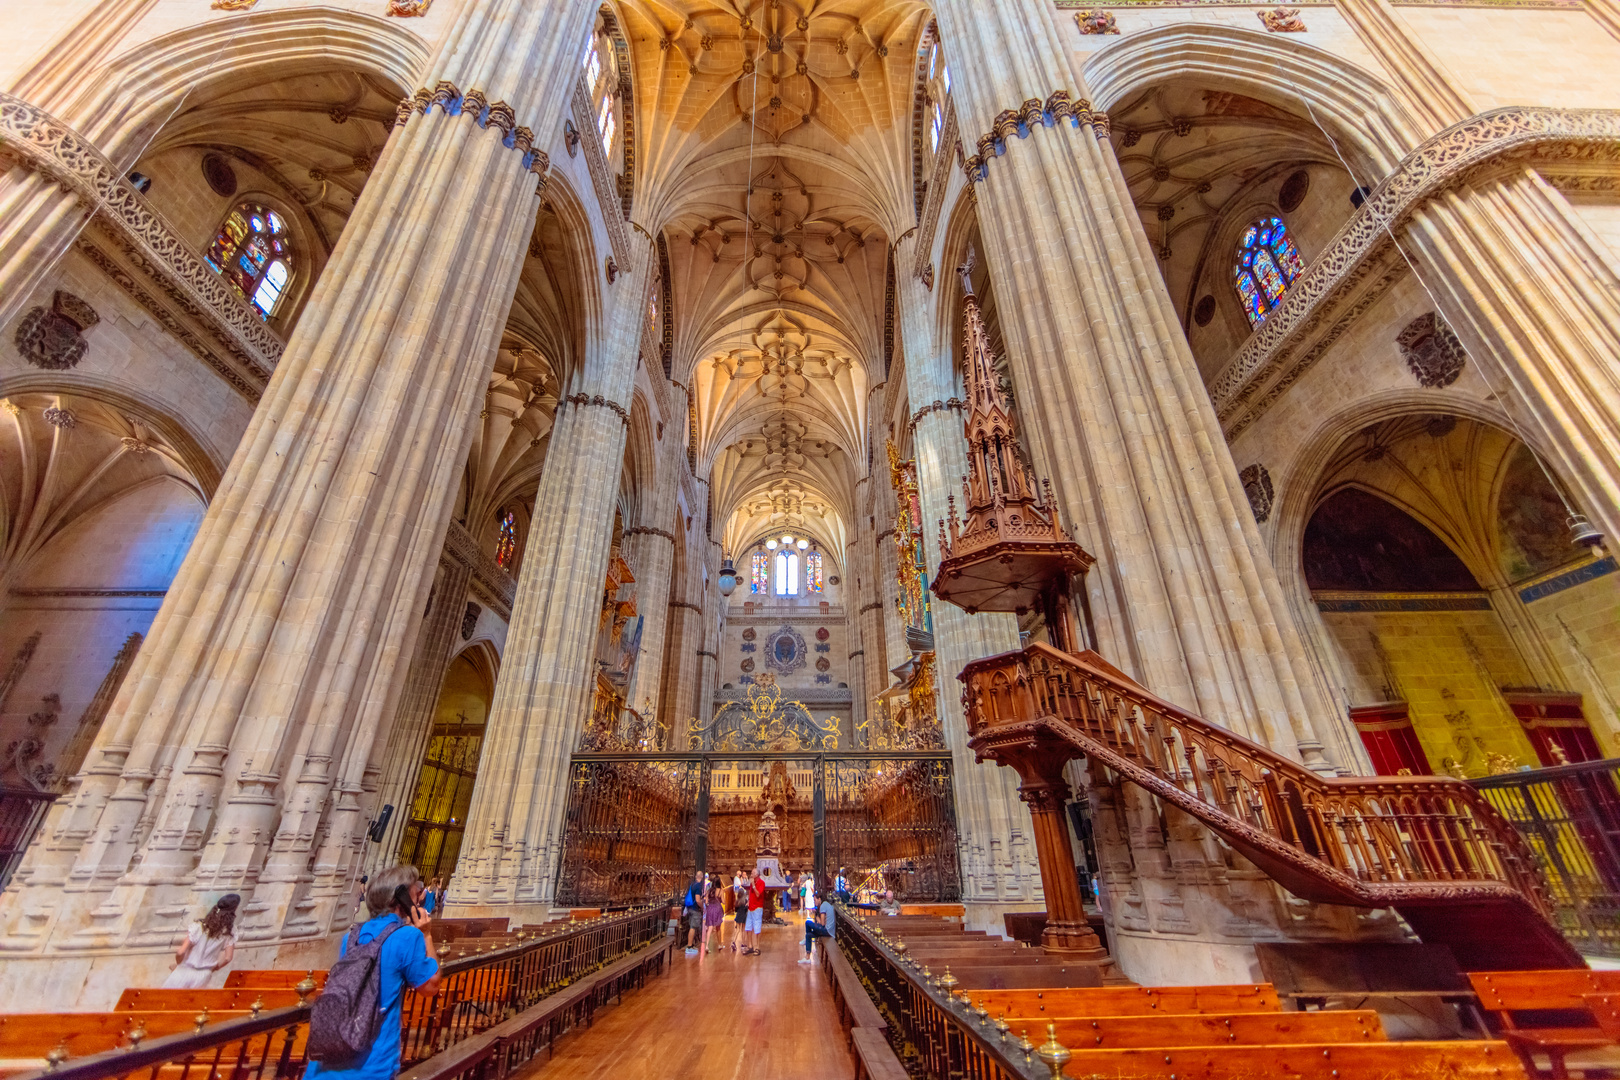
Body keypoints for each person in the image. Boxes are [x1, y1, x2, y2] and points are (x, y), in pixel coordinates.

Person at [305, 865, 441, 1080]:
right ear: (402, 899)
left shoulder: (351, 937)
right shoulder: (406, 937)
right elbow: (431, 986)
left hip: (328, 1059)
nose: (418, 902)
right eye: (415, 897)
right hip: (370, 1064)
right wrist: (426, 935)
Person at [163, 894, 240, 988]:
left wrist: (179, 965)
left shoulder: (199, 926)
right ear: (235, 909)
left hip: (183, 971)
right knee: (191, 1002)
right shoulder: (229, 931)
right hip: (203, 975)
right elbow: (228, 958)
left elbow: (180, 952)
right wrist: (213, 968)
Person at [799, 890, 836, 964]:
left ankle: (806, 941)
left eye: (815, 900)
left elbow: (822, 923)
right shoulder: (826, 905)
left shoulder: (823, 905)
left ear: (819, 899)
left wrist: (816, 917)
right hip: (828, 930)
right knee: (808, 935)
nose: (814, 902)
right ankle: (807, 958)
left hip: (827, 931)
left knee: (807, 923)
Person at [741, 868, 765, 955]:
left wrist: (753, 885)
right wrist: (749, 902)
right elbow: (751, 894)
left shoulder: (761, 883)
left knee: (757, 928)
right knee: (748, 928)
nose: (751, 874)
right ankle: (750, 946)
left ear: (757, 875)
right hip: (750, 908)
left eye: (752, 873)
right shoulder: (752, 883)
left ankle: (757, 947)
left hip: (757, 908)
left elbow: (758, 894)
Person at [682, 870, 705, 955]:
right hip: (695, 909)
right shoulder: (698, 886)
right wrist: (703, 907)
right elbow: (698, 900)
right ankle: (689, 947)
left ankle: (691, 946)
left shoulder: (693, 884)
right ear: (701, 877)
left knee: (693, 926)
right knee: (693, 927)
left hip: (690, 908)